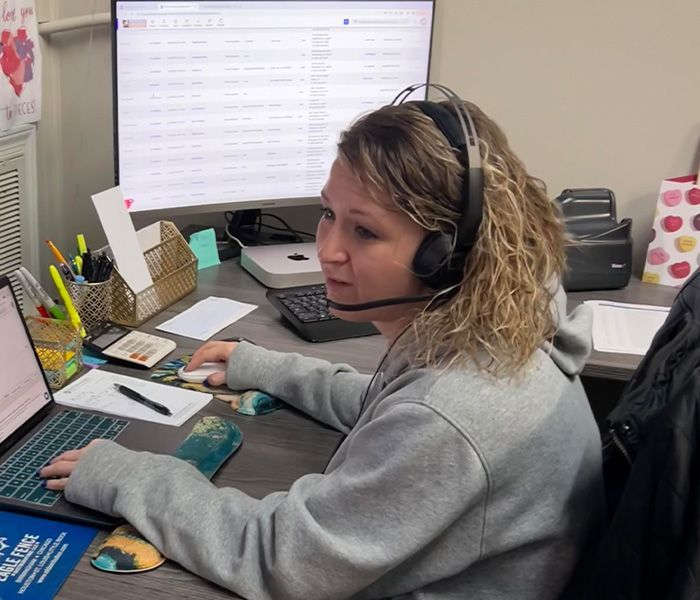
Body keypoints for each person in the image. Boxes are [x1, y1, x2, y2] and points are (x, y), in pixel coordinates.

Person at [39, 88, 604, 599]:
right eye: (329, 213)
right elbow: (389, 410)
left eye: (365, 230)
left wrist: (131, 477)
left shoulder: (456, 412)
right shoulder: (496, 322)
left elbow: (283, 561)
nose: (327, 249)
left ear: (445, 255)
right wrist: (267, 367)